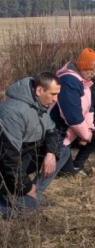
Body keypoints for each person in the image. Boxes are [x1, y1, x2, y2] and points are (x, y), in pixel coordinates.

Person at [0, 72, 69, 215]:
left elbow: (52, 130)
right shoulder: (13, 112)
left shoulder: (39, 104)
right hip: (6, 169)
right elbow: (9, 160)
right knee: (27, 208)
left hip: (23, 159)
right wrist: (25, 186)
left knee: (62, 150)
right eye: (53, 94)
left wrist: (50, 153)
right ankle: (18, 199)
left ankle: (32, 194)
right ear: (39, 90)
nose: (56, 99)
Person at [50, 47, 95, 176]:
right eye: (93, 71)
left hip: (73, 129)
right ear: (83, 67)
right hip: (59, 131)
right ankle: (59, 159)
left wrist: (90, 128)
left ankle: (78, 164)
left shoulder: (84, 81)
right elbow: (72, 117)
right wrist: (85, 135)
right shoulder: (69, 81)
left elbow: (90, 108)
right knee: (66, 174)